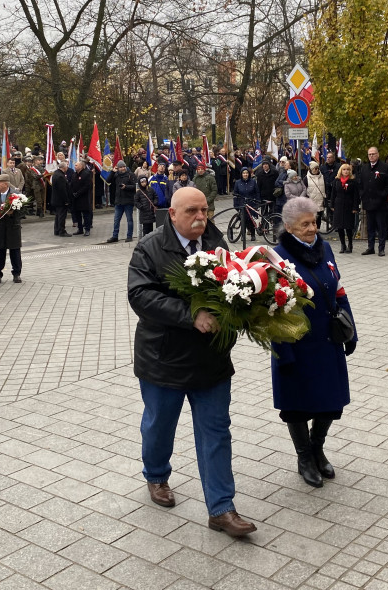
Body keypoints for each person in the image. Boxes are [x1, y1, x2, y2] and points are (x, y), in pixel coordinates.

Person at [127, 187, 256, 537]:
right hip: (163, 357)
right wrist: (190, 315)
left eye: (205, 210)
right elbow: (139, 295)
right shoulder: (150, 247)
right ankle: (156, 475)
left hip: (210, 358)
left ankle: (221, 508)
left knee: (216, 431)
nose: (201, 217)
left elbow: (230, 286)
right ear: (172, 214)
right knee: (159, 424)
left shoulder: (216, 243)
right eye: (192, 211)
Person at [272, 196, 357, 487]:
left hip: (327, 340)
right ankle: (304, 456)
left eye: (315, 222)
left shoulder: (326, 248)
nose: (313, 228)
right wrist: (283, 351)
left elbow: (339, 291)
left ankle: (318, 447)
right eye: (305, 224)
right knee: (297, 403)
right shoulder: (276, 257)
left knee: (330, 402)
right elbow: (271, 310)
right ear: (288, 226)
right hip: (295, 342)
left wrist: (351, 328)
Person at [0, 173, 24, 283]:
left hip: (12, 227)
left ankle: (16, 273)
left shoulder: (16, 194)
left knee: (15, 252)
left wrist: (13, 213)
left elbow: (22, 211)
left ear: (6, 184)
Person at [358, 147, 388, 256]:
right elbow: (360, 184)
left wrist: (382, 195)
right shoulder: (364, 168)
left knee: (381, 226)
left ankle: (381, 248)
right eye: (369, 154)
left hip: (380, 203)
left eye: (373, 154)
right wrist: (363, 195)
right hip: (368, 202)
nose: (371, 156)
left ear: (378, 155)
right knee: (370, 226)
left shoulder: (385, 167)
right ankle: (370, 247)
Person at [329, 163, 359, 255]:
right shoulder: (336, 181)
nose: (346, 171)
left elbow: (356, 196)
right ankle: (343, 245)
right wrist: (332, 205)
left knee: (348, 226)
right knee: (340, 226)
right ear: (341, 171)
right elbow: (333, 194)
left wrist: (355, 207)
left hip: (349, 205)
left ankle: (350, 244)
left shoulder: (353, 182)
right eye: (344, 169)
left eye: (348, 169)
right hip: (338, 205)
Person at [107, 161, 137, 243]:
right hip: (118, 202)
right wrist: (112, 172)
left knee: (129, 220)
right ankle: (115, 236)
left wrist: (126, 187)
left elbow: (136, 186)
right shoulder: (116, 175)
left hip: (128, 201)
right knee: (116, 220)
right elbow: (108, 181)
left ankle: (129, 236)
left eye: (124, 166)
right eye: (120, 167)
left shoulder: (131, 175)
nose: (122, 168)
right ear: (118, 168)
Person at [232, 167, 260, 236]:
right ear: (241, 174)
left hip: (251, 203)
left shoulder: (253, 182)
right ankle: (243, 235)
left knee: (251, 220)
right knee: (243, 220)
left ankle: (253, 234)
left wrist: (257, 202)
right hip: (242, 204)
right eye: (244, 173)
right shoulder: (238, 183)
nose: (245, 174)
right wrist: (236, 205)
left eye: (246, 173)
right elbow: (235, 194)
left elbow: (257, 192)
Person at [71, 160, 94, 236]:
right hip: (76, 198)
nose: (75, 166)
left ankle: (87, 229)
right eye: (75, 165)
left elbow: (87, 186)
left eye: (76, 165)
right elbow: (72, 184)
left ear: (81, 166)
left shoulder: (86, 174)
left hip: (84, 197)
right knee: (77, 214)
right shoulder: (74, 174)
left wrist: (78, 193)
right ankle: (80, 229)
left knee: (86, 214)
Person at [50, 160, 71, 237]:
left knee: (58, 216)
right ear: (64, 168)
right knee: (61, 216)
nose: (67, 168)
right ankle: (62, 231)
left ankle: (57, 230)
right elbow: (62, 190)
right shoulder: (60, 176)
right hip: (60, 200)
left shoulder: (56, 174)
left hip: (56, 199)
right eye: (66, 167)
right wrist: (66, 200)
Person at [305, 161, 327, 226]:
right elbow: (304, 189)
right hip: (311, 200)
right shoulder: (306, 178)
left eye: (318, 168)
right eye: (315, 168)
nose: (317, 170)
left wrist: (326, 195)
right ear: (311, 169)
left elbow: (326, 187)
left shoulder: (322, 177)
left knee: (319, 217)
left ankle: (317, 231)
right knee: (312, 218)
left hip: (320, 200)